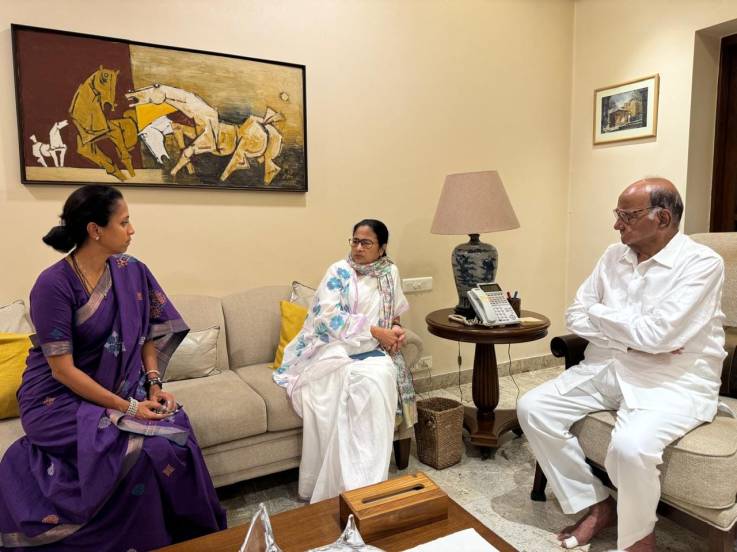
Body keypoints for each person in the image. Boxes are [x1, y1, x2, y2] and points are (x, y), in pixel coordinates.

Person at [0, 185, 225, 551]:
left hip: (120, 387)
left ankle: (185, 536)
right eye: (124, 221)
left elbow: (149, 331)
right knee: (136, 450)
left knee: (174, 432)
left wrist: (153, 384)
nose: (132, 230)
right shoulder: (53, 285)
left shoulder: (132, 271)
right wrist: (130, 407)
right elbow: (63, 371)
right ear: (95, 230)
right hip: (57, 400)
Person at [517, 178, 726, 552]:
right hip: (611, 367)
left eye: (626, 215)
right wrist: (634, 339)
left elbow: (660, 336)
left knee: (630, 448)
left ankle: (637, 540)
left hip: (673, 380)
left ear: (662, 218)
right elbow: (576, 315)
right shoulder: (612, 256)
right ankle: (596, 506)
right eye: (618, 215)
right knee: (532, 407)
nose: (617, 225)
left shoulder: (701, 264)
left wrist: (630, 333)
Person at [273, 219, 416, 503]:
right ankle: (342, 485)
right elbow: (328, 318)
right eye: (354, 241)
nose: (358, 248)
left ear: (382, 247)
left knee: (379, 381)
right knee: (341, 391)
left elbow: (393, 316)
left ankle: (368, 484)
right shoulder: (338, 271)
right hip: (331, 347)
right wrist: (376, 331)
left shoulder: (390, 273)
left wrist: (395, 331)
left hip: (372, 351)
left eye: (366, 243)